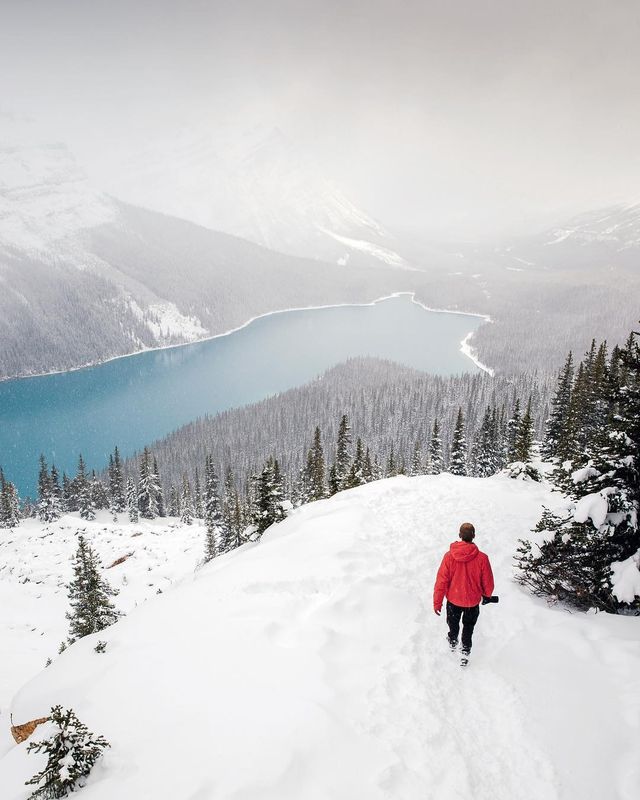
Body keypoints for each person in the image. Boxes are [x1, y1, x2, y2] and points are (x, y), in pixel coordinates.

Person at [433, 522, 494, 658]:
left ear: (459, 535)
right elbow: (488, 582)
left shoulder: (449, 557)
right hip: (472, 602)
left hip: (453, 600)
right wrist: (487, 595)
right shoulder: (482, 558)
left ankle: (453, 640)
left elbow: (441, 581)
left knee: (453, 623)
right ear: (474, 536)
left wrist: (437, 602)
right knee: (469, 627)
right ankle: (466, 649)